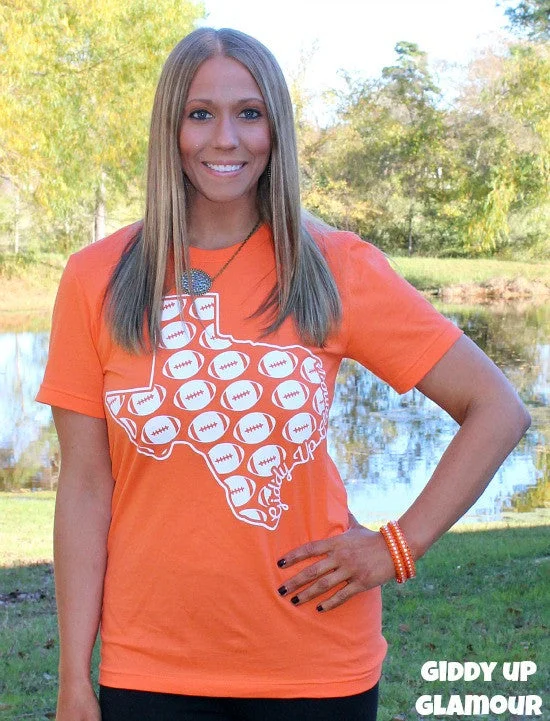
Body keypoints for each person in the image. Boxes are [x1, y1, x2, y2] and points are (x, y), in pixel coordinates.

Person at [37, 27, 530, 721]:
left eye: (249, 112)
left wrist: (396, 546)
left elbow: (497, 408)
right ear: (170, 129)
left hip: (317, 667)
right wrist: (73, 677)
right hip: (149, 664)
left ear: (276, 127)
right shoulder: (99, 278)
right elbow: (85, 487)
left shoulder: (333, 266)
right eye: (200, 113)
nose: (226, 139)